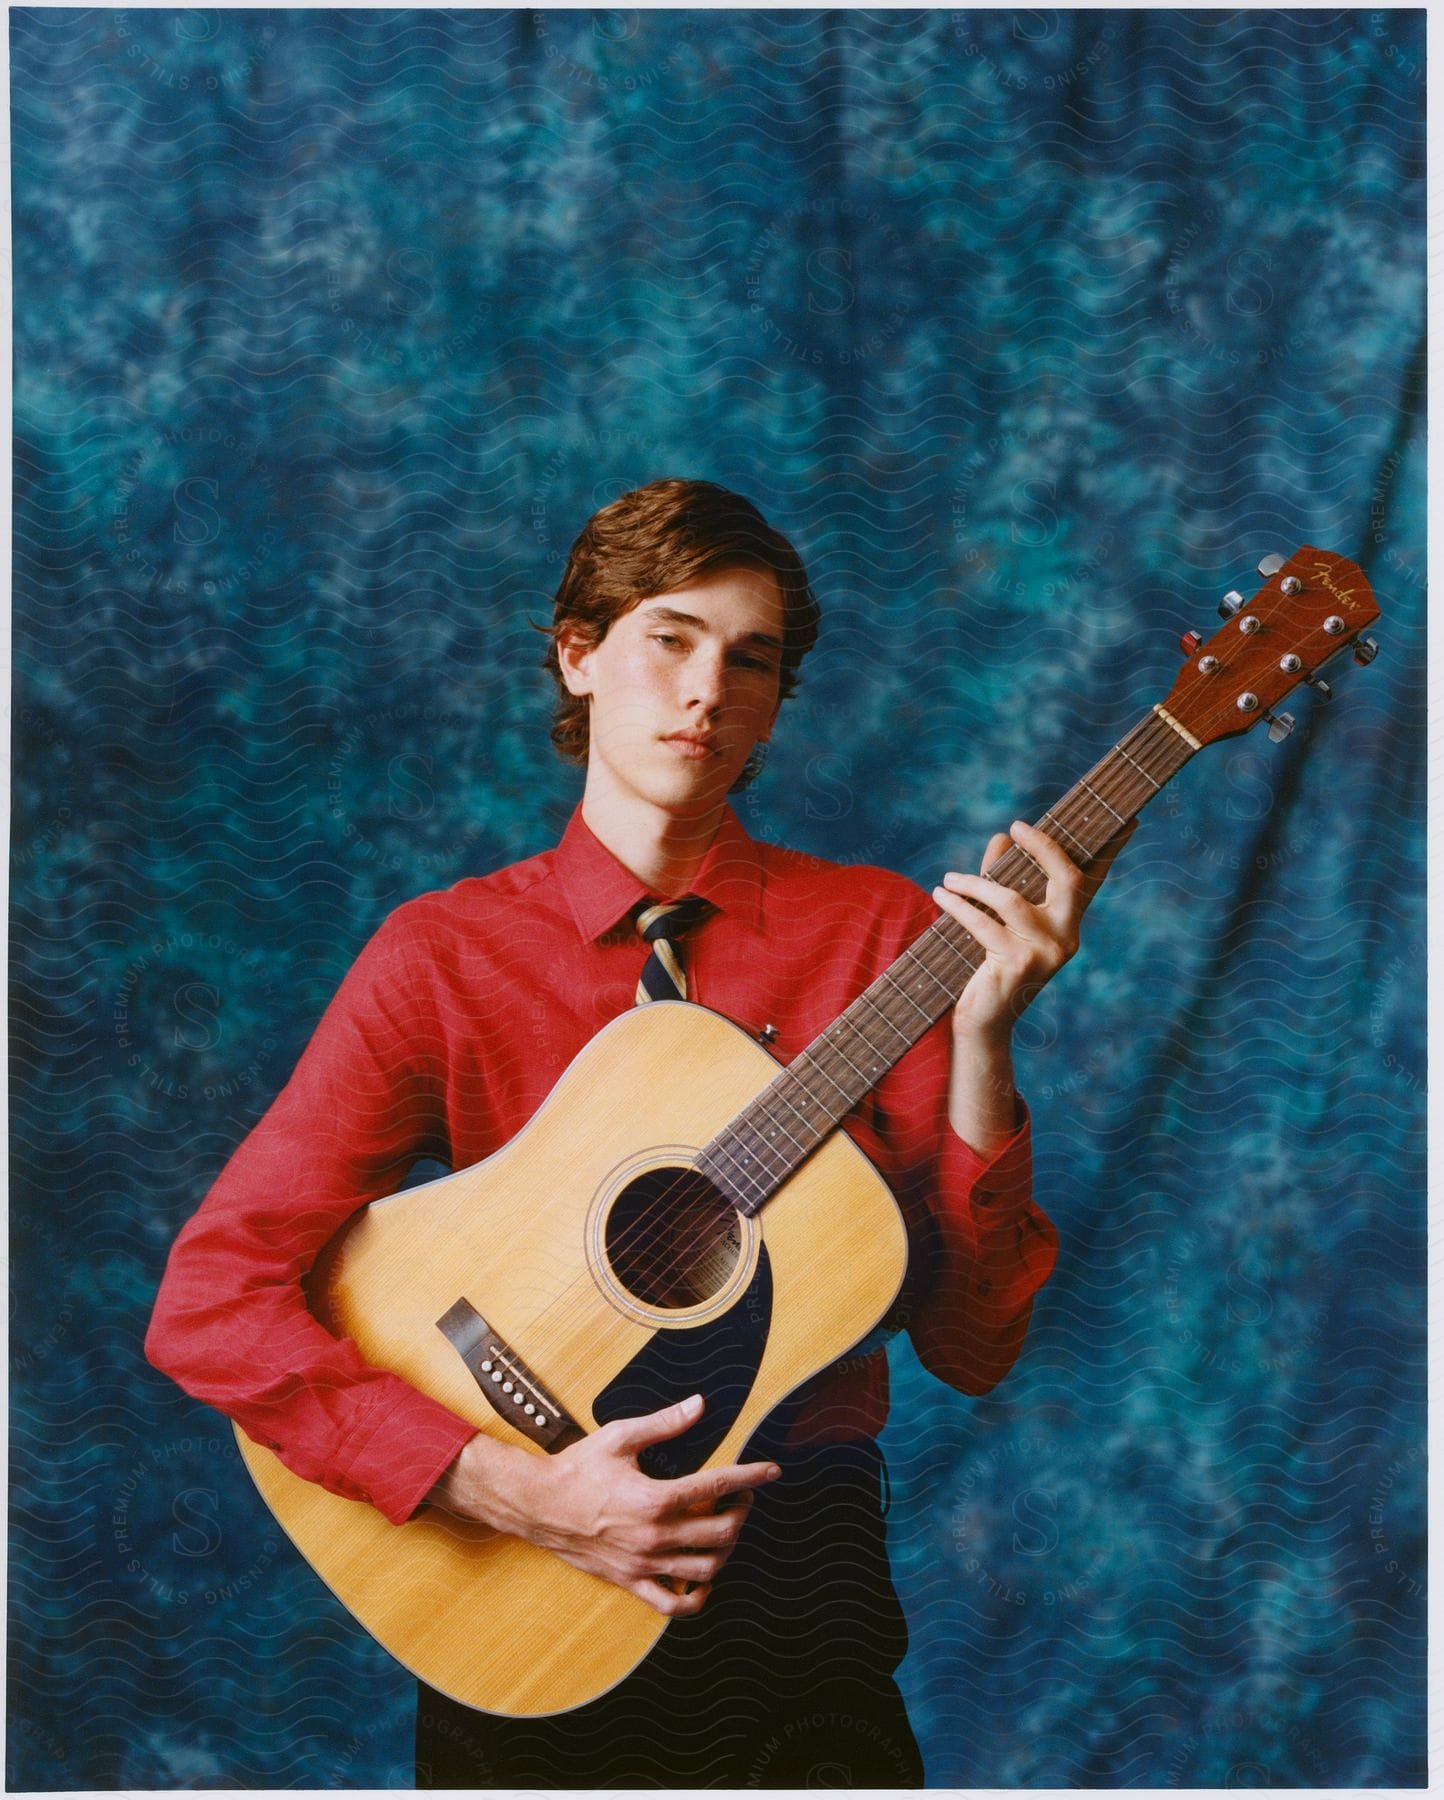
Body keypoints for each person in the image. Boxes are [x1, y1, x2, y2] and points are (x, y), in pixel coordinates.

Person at [146, 477, 1131, 1787]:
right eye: (669, 636)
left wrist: (989, 1050)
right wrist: (504, 1489)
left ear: (779, 702)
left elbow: (971, 1347)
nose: (706, 689)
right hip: (511, 1565)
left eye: (752, 659)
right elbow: (211, 1303)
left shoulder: (888, 941)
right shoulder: (444, 957)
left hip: (796, 1570)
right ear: (578, 653)